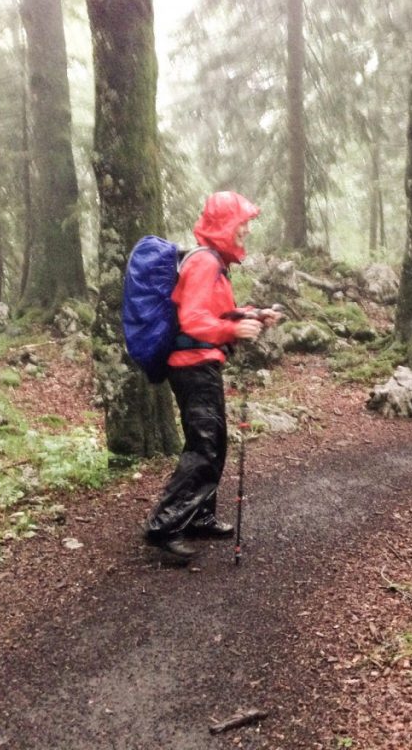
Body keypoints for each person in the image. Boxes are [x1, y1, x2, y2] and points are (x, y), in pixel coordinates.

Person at [144, 191, 282, 561]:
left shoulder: (214, 263)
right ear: (225, 226)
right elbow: (194, 320)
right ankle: (163, 527)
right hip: (191, 367)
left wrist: (253, 314)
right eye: (243, 224)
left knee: (213, 442)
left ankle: (199, 515)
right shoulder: (204, 263)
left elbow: (219, 313)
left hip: (202, 364)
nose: (247, 232)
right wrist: (232, 332)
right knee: (204, 446)